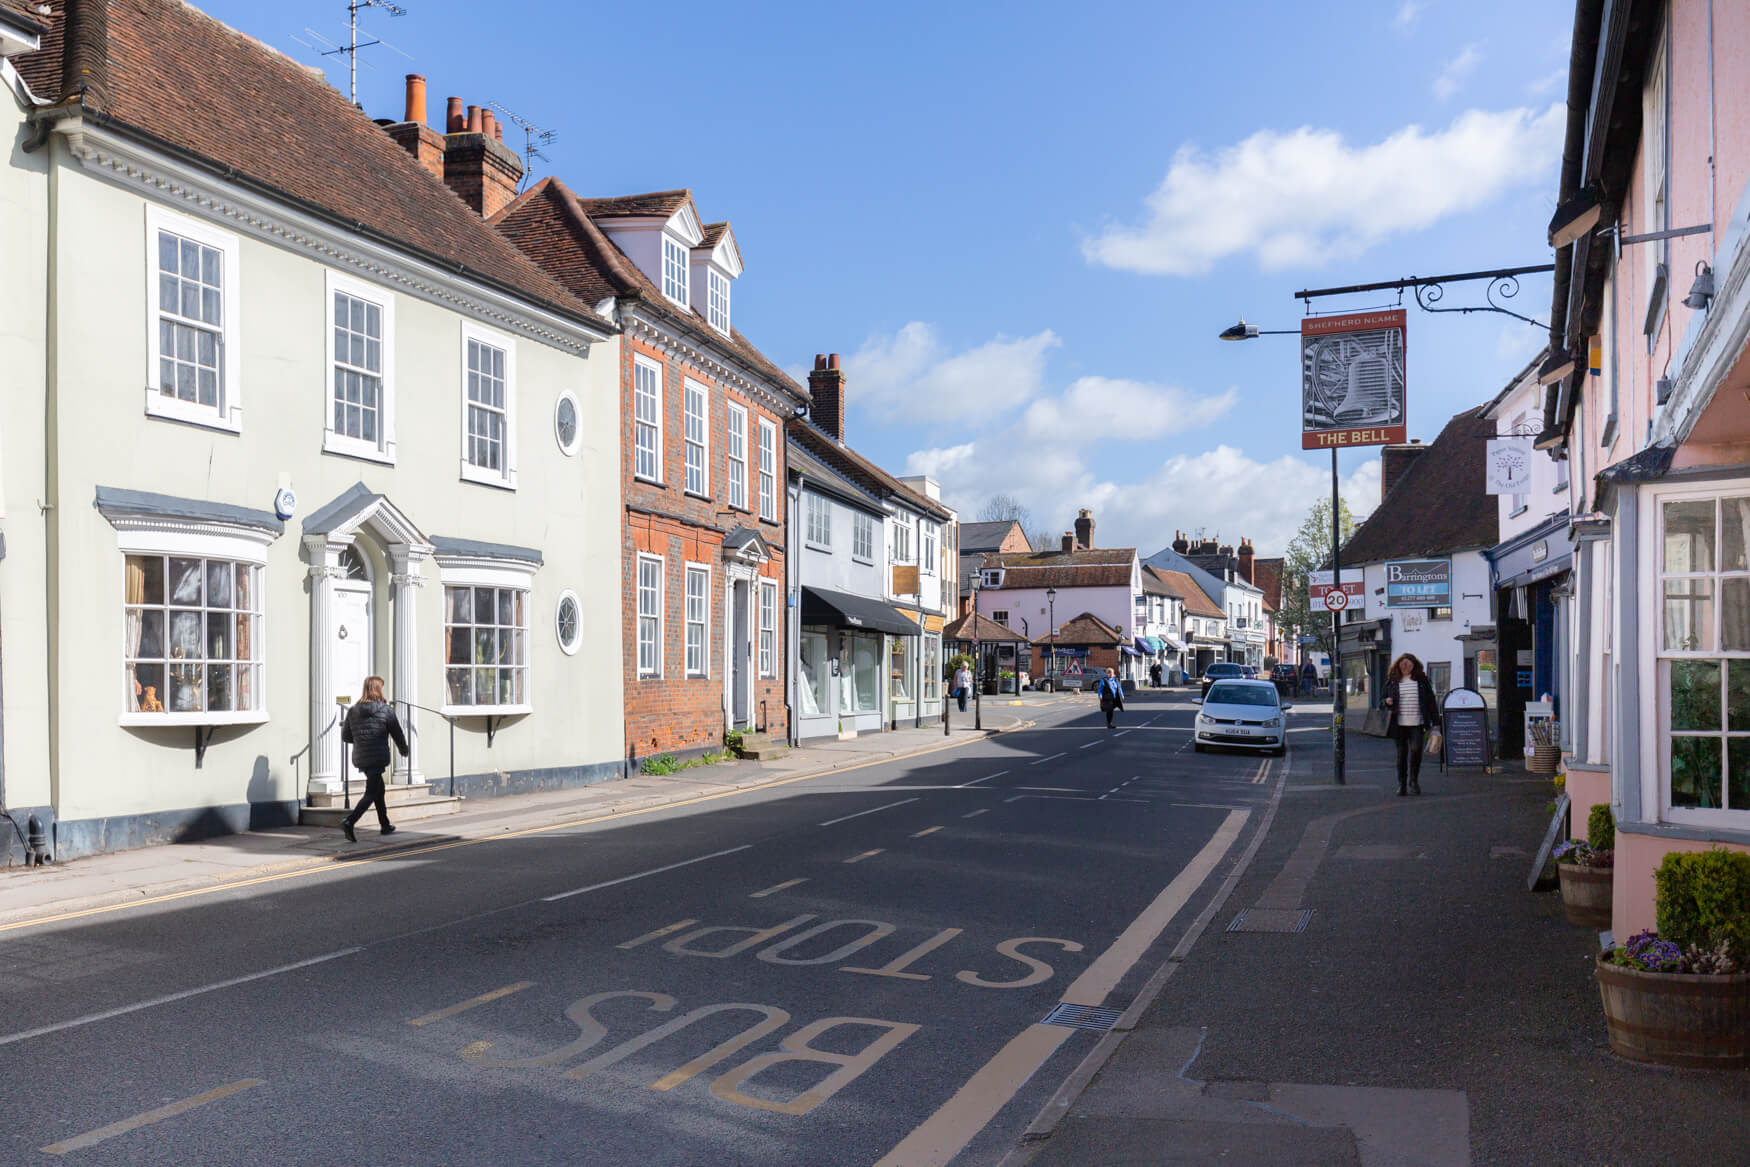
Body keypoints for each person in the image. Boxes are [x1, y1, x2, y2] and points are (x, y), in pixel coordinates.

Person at [340, 675, 410, 841]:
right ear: (379, 689)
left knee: (379, 790)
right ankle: (350, 821)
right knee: (371, 792)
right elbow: (397, 732)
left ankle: (385, 825)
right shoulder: (385, 710)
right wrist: (403, 748)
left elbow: (346, 737)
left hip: (362, 756)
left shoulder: (353, 710)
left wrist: (361, 740)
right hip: (377, 756)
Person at [1381, 652, 1441, 796]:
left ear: (1414, 666)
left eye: (1408, 664)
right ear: (1398, 666)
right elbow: (1382, 699)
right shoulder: (1393, 680)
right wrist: (1386, 701)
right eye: (1403, 664)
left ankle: (1413, 781)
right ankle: (1401, 784)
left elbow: (1431, 702)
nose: (1405, 667)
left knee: (1416, 751)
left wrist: (1436, 723)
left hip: (1417, 723)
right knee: (1401, 755)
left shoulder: (1422, 680)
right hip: (1398, 724)